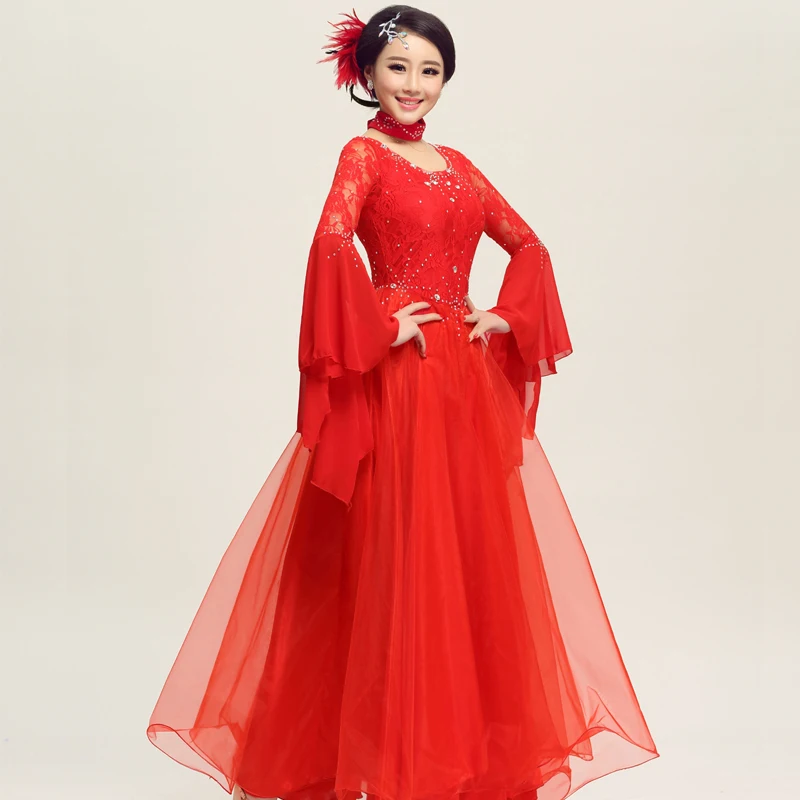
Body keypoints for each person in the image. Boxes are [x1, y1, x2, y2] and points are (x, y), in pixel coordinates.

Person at [146, 7, 660, 800]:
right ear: (367, 74)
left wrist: (506, 316)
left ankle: (453, 758)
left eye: (430, 70)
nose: (414, 84)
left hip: (460, 384)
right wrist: (380, 326)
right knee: (389, 557)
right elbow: (331, 240)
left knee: (463, 557)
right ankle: (381, 761)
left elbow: (529, 243)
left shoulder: (459, 165)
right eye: (398, 67)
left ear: (446, 79)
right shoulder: (364, 155)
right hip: (400, 381)